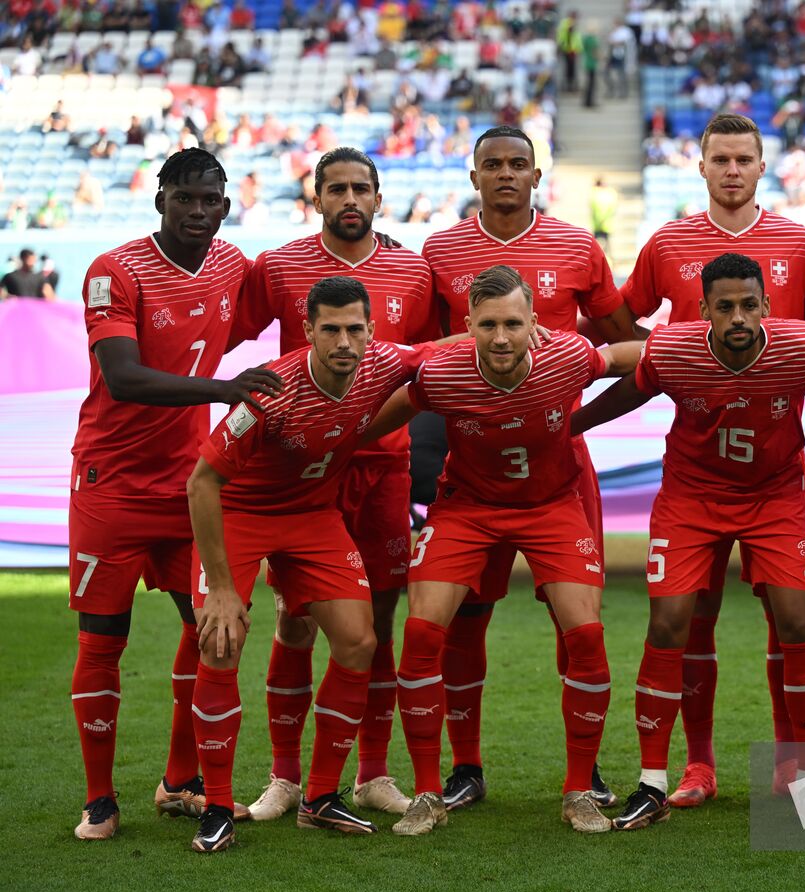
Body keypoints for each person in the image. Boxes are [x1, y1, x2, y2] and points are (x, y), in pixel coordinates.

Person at [573, 253, 805, 832]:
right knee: (670, 622)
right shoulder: (671, 349)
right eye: (725, 307)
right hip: (691, 498)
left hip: (776, 497)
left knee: (797, 622)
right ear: (703, 310)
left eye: (748, 305)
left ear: (766, 306)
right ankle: (654, 783)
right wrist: (571, 425)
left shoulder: (803, 344)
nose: (737, 317)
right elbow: (632, 392)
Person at [362, 266, 642, 836]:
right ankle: (426, 794)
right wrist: (343, 441)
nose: (501, 337)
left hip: (551, 505)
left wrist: (692, 349)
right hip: (468, 508)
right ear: (468, 327)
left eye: (513, 323)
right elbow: (384, 412)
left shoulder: (567, 356)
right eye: (487, 325)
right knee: (421, 634)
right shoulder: (442, 372)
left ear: (533, 323)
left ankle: (578, 791)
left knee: (585, 635)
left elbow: (627, 355)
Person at [620, 112, 805, 806]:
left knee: (791, 618)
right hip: (694, 465)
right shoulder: (668, 243)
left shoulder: (801, 245)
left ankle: (794, 771)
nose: (733, 170)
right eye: (721, 159)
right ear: (703, 166)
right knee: (691, 618)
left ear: (762, 166)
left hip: (777, 469)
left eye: (745, 158)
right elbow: (625, 321)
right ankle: (698, 766)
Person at [68, 148, 282, 841]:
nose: (197, 212)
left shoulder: (232, 265)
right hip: (111, 483)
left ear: (225, 204)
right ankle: (99, 799)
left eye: (210, 201)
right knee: (104, 638)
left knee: (212, 630)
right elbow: (125, 378)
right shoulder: (115, 271)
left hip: (191, 485)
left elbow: (296, 289)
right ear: (159, 198)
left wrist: (369, 246)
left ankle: (180, 780)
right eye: (184, 198)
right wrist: (225, 390)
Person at [186, 276, 441, 852]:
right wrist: (224, 588)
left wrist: (538, 342)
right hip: (240, 512)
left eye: (355, 329)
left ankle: (320, 797)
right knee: (220, 640)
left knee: (359, 641)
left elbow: (448, 349)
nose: (344, 341)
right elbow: (202, 482)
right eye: (331, 329)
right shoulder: (273, 391)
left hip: (311, 516)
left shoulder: (382, 364)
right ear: (308, 331)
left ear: (372, 332)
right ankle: (219, 806)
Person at [420, 125, 631, 812]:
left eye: (518, 164)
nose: (506, 174)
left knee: (578, 623)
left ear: (537, 176)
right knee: (462, 621)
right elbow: (420, 355)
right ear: (474, 175)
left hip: (556, 466)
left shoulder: (577, 247)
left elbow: (624, 342)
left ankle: (586, 772)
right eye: (493, 165)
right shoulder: (440, 250)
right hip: (473, 466)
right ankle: (465, 768)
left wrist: (582, 414)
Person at [227, 147, 440, 823]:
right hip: (300, 474)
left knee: (377, 620)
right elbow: (225, 335)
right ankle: (286, 779)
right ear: (315, 198)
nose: (350, 198)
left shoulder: (413, 269)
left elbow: (429, 365)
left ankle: (372, 773)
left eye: (361, 188)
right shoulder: (280, 266)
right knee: (295, 619)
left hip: (383, 466)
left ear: (380, 198)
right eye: (337, 188)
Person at [589, 175, 619, 258]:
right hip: (605, 224)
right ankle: (609, 262)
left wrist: (601, 219)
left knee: (599, 247)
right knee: (606, 246)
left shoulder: (595, 193)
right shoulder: (611, 193)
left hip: (601, 224)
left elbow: (595, 209)